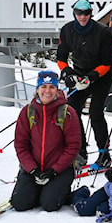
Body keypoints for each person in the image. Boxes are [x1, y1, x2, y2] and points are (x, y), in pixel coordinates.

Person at [57, 0, 112, 169]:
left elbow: (108, 62)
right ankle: (80, 152)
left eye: (86, 13)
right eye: (79, 13)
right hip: (80, 71)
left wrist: (92, 77)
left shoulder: (103, 32)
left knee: (96, 112)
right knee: (72, 111)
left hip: (102, 73)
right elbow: (61, 57)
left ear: (91, 13)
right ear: (74, 13)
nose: (83, 17)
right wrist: (67, 72)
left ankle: (104, 153)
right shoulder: (67, 30)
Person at [11, 70, 83, 213]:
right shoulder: (27, 112)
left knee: (49, 205)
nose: (47, 91)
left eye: (52, 87)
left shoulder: (67, 112)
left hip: (59, 170)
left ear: (57, 90)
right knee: (20, 204)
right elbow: (21, 145)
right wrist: (32, 169)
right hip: (33, 168)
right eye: (43, 87)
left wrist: (54, 171)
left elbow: (73, 146)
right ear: (37, 89)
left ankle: (60, 191)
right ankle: (39, 189)